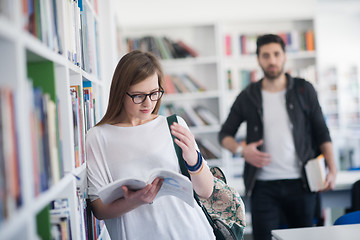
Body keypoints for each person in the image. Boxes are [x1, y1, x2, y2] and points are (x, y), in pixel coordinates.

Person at [86, 50, 215, 240]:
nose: (148, 103)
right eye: (138, 95)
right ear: (120, 92)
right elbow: (99, 209)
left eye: (154, 93)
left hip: (192, 232)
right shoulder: (98, 136)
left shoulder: (173, 124)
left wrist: (193, 160)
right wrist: (135, 201)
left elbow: (206, 192)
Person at [218, 34, 337, 240]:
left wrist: (333, 169)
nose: (271, 60)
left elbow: (322, 132)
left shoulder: (303, 89)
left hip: (302, 183)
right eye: (266, 55)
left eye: (276, 54)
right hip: (263, 188)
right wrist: (241, 150)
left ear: (284, 57)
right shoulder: (248, 95)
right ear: (258, 59)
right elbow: (225, 135)